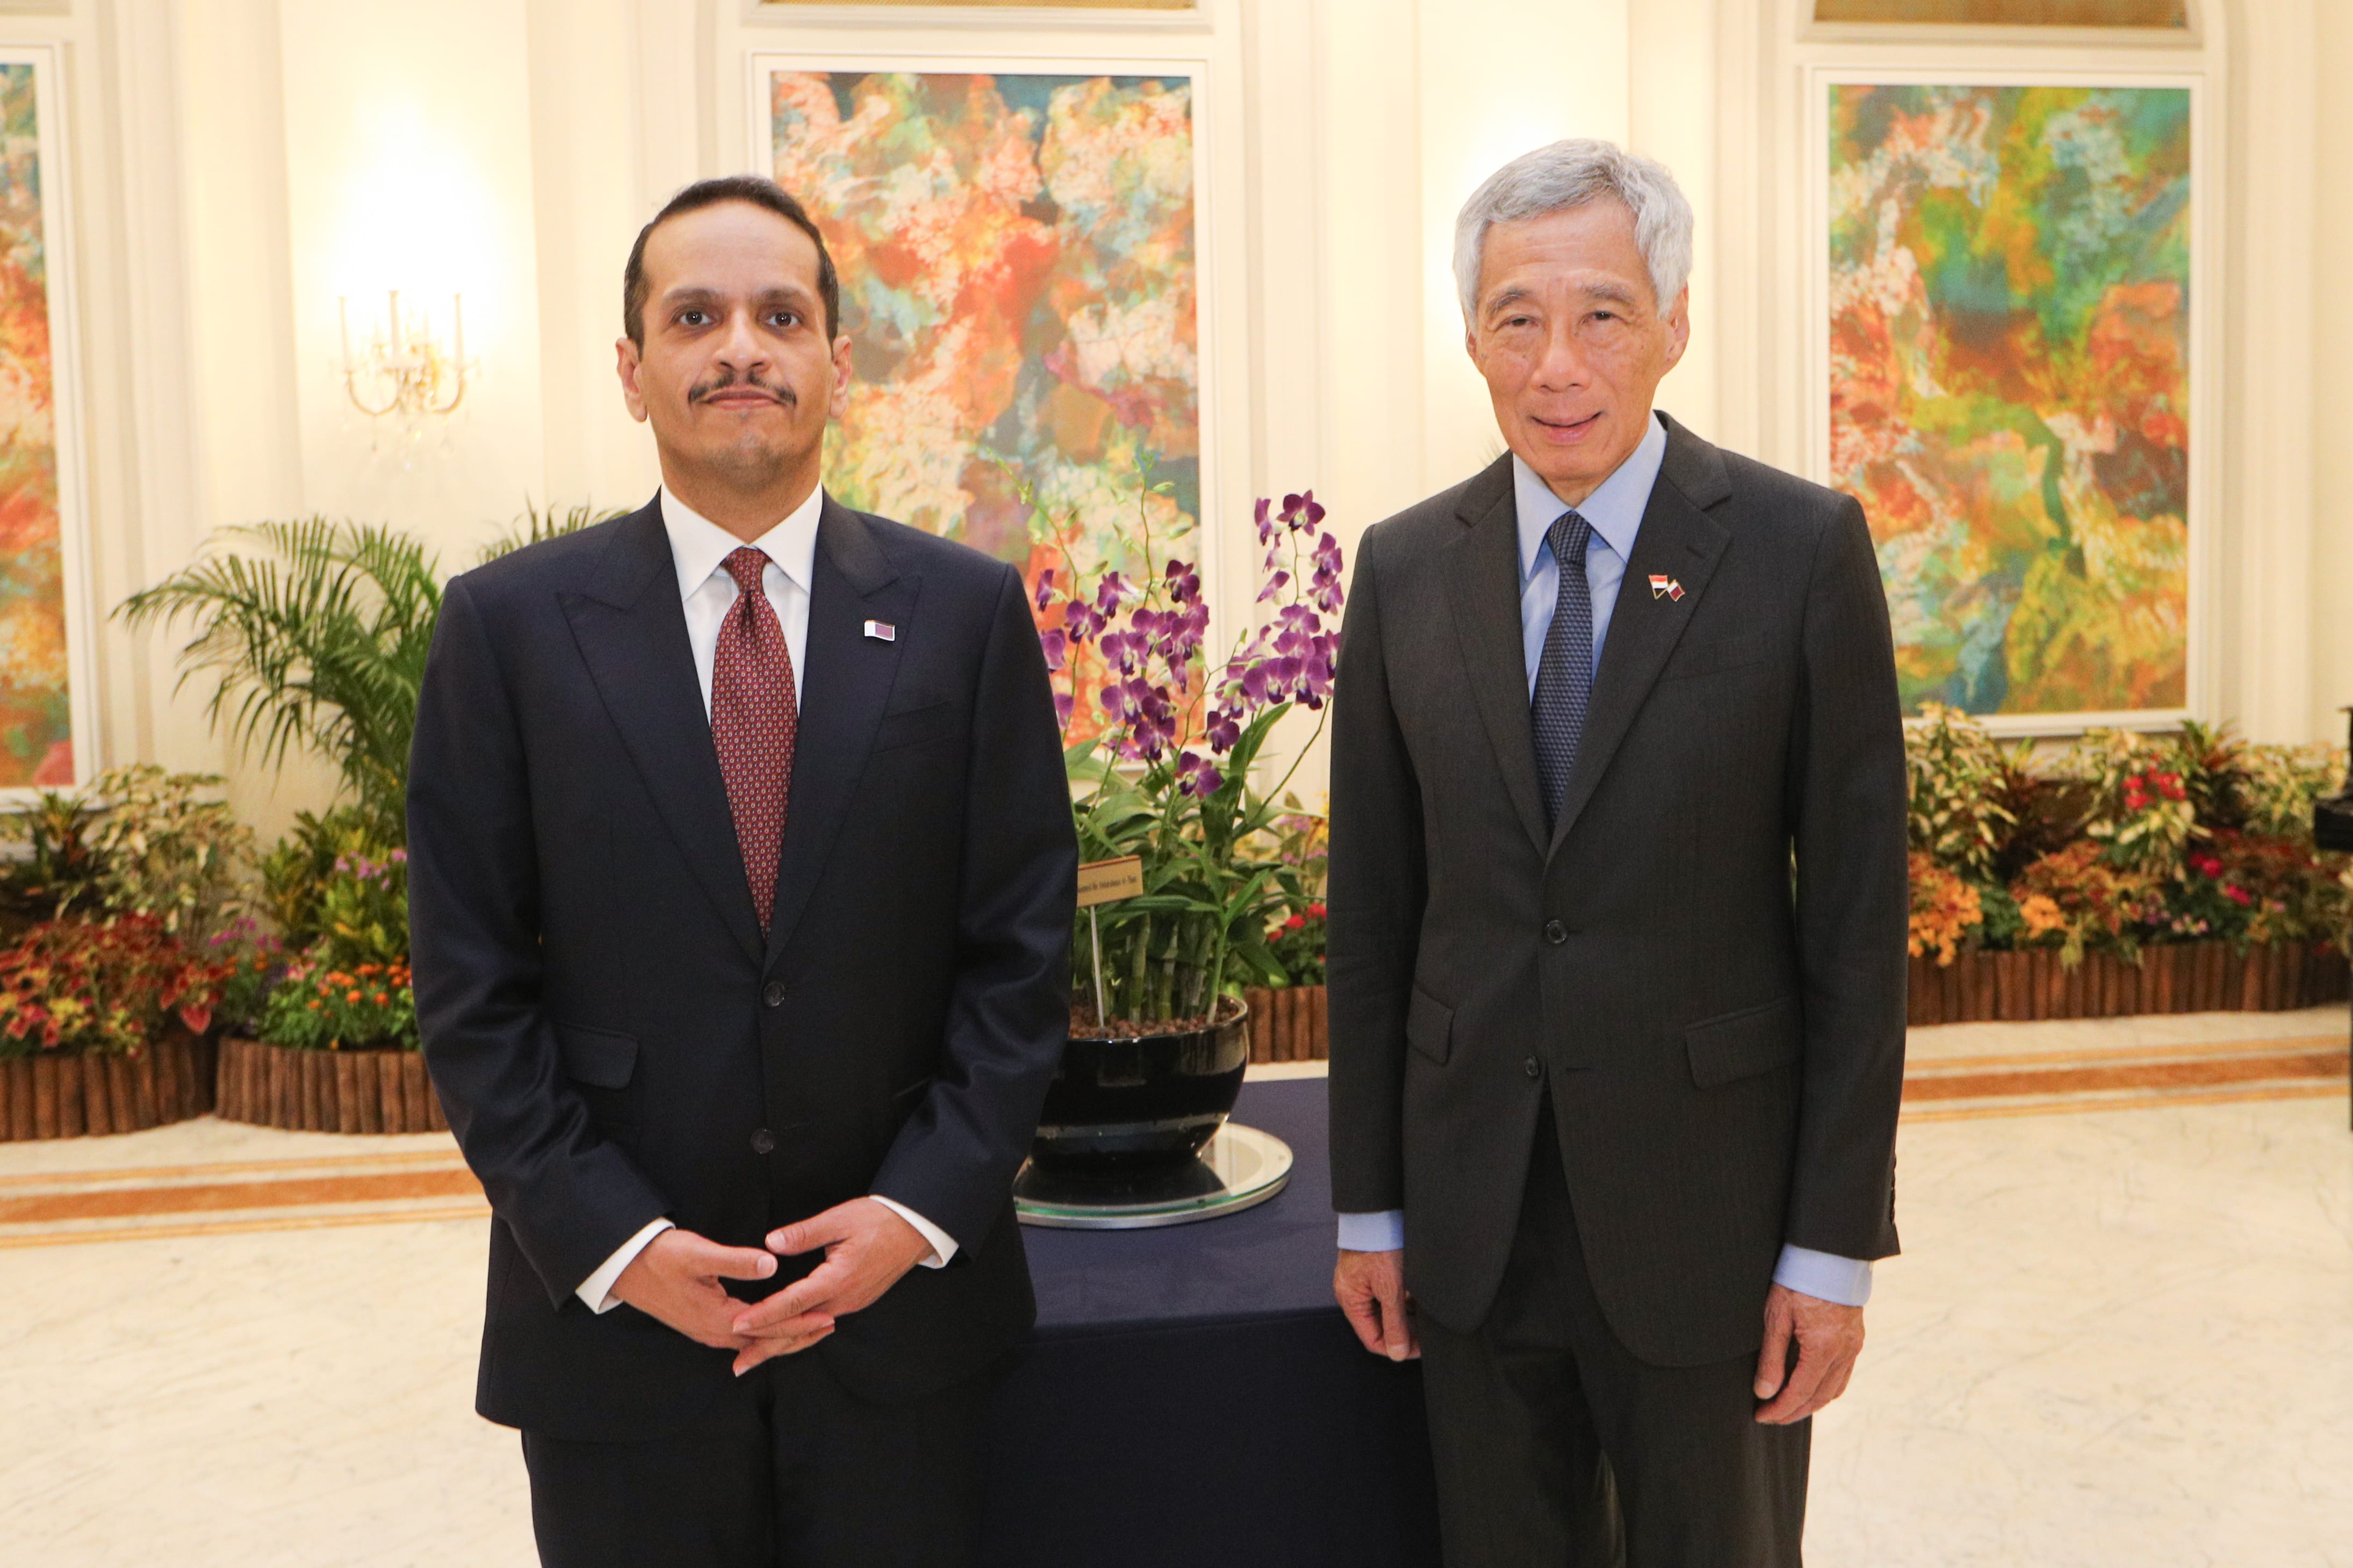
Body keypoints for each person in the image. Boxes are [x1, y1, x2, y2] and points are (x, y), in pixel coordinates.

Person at [407, 175, 1076, 1567]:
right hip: (615, 1334)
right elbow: (473, 995)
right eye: (693, 316)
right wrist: (616, 1244)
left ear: (839, 359)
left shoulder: (963, 618)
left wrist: (912, 1215)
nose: (740, 348)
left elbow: (1018, 961)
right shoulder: (508, 631)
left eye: (781, 315)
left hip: (903, 1327)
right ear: (632, 369)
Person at [1326, 139, 1908, 1565]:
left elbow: (1852, 924)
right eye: (1515, 318)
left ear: (1673, 325)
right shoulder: (1404, 569)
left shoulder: (1795, 549)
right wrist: (1371, 1209)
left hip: (1709, 1221)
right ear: (1469, 337)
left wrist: (1829, 1252)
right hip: (1470, 1218)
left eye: (1601, 313)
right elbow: (1374, 918)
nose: (1557, 362)